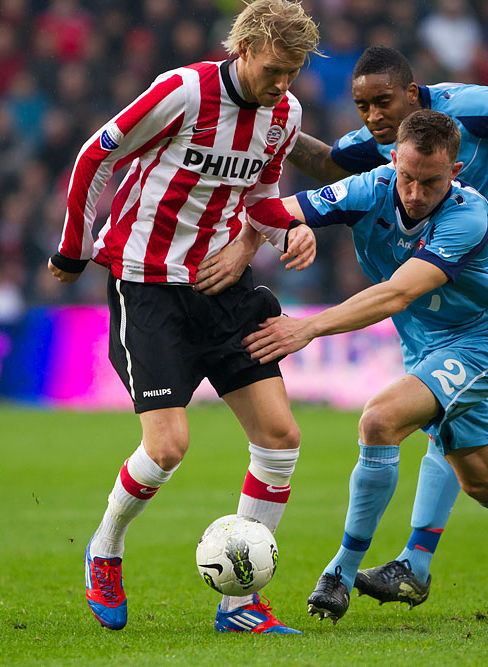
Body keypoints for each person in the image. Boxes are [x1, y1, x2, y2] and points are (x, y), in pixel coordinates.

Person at [244, 110, 488, 624]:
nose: (414, 192)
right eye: (407, 177)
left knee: (379, 420)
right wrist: (268, 238)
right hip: (428, 344)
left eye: (430, 181)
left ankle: (340, 573)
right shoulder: (373, 186)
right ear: (394, 160)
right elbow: (283, 210)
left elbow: (398, 292)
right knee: (484, 478)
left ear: (455, 171)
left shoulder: (468, 214)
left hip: (483, 342)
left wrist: (307, 327)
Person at [48, 0, 320, 634]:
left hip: (222, 286)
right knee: (168, 446)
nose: (283, 84)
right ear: (244, 48)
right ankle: (105, 547)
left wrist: (291, 231)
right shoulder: (183, 90)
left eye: (294, 72)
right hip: (146, 285)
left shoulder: (286, 113)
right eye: (275, 69)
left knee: (280, 437)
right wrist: (74, 247)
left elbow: (261, 195)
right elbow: (96, 156)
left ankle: (239, 604)